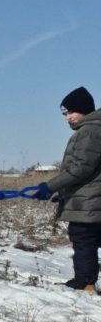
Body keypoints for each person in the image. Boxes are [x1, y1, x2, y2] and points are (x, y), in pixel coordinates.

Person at [32, 87, 101, 293]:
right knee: (89, 239)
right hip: (88, 199)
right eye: (65, 114)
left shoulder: (89, 131)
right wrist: (61, 194)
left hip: (88, 202)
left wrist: (50, 186)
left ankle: (84, 283)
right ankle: (86, 281)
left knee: (83, 238)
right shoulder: (91, 129)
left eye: (71, 112)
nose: (68, 117)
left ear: (84, 109)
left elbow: (81, 168)